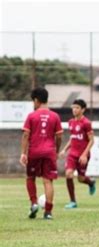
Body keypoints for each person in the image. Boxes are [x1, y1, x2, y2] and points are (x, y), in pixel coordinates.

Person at [20, 87, 63, 220]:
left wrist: (23, 153)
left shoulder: (32, 116)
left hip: (34, 151)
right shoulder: (55, 116)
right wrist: (56, 151)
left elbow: (26, 134)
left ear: (36, 100)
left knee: (30, 177)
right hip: (49, 152)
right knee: (48, 181)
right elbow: (59, 136)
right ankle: (48, 212)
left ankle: (33, 203)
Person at [59, 99, 96, 209]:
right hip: (72, 154)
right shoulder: (70, 122)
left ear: (83, 110)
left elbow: (91, 140)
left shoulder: (86, 123)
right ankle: (73, 201)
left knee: (80, 178)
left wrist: (84, 154)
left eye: (77, 108)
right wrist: (64, 150)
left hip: (83, 155)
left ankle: (91, 182)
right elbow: (73, 137)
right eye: (73, 107)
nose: (74, 110)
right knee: (69, 174)